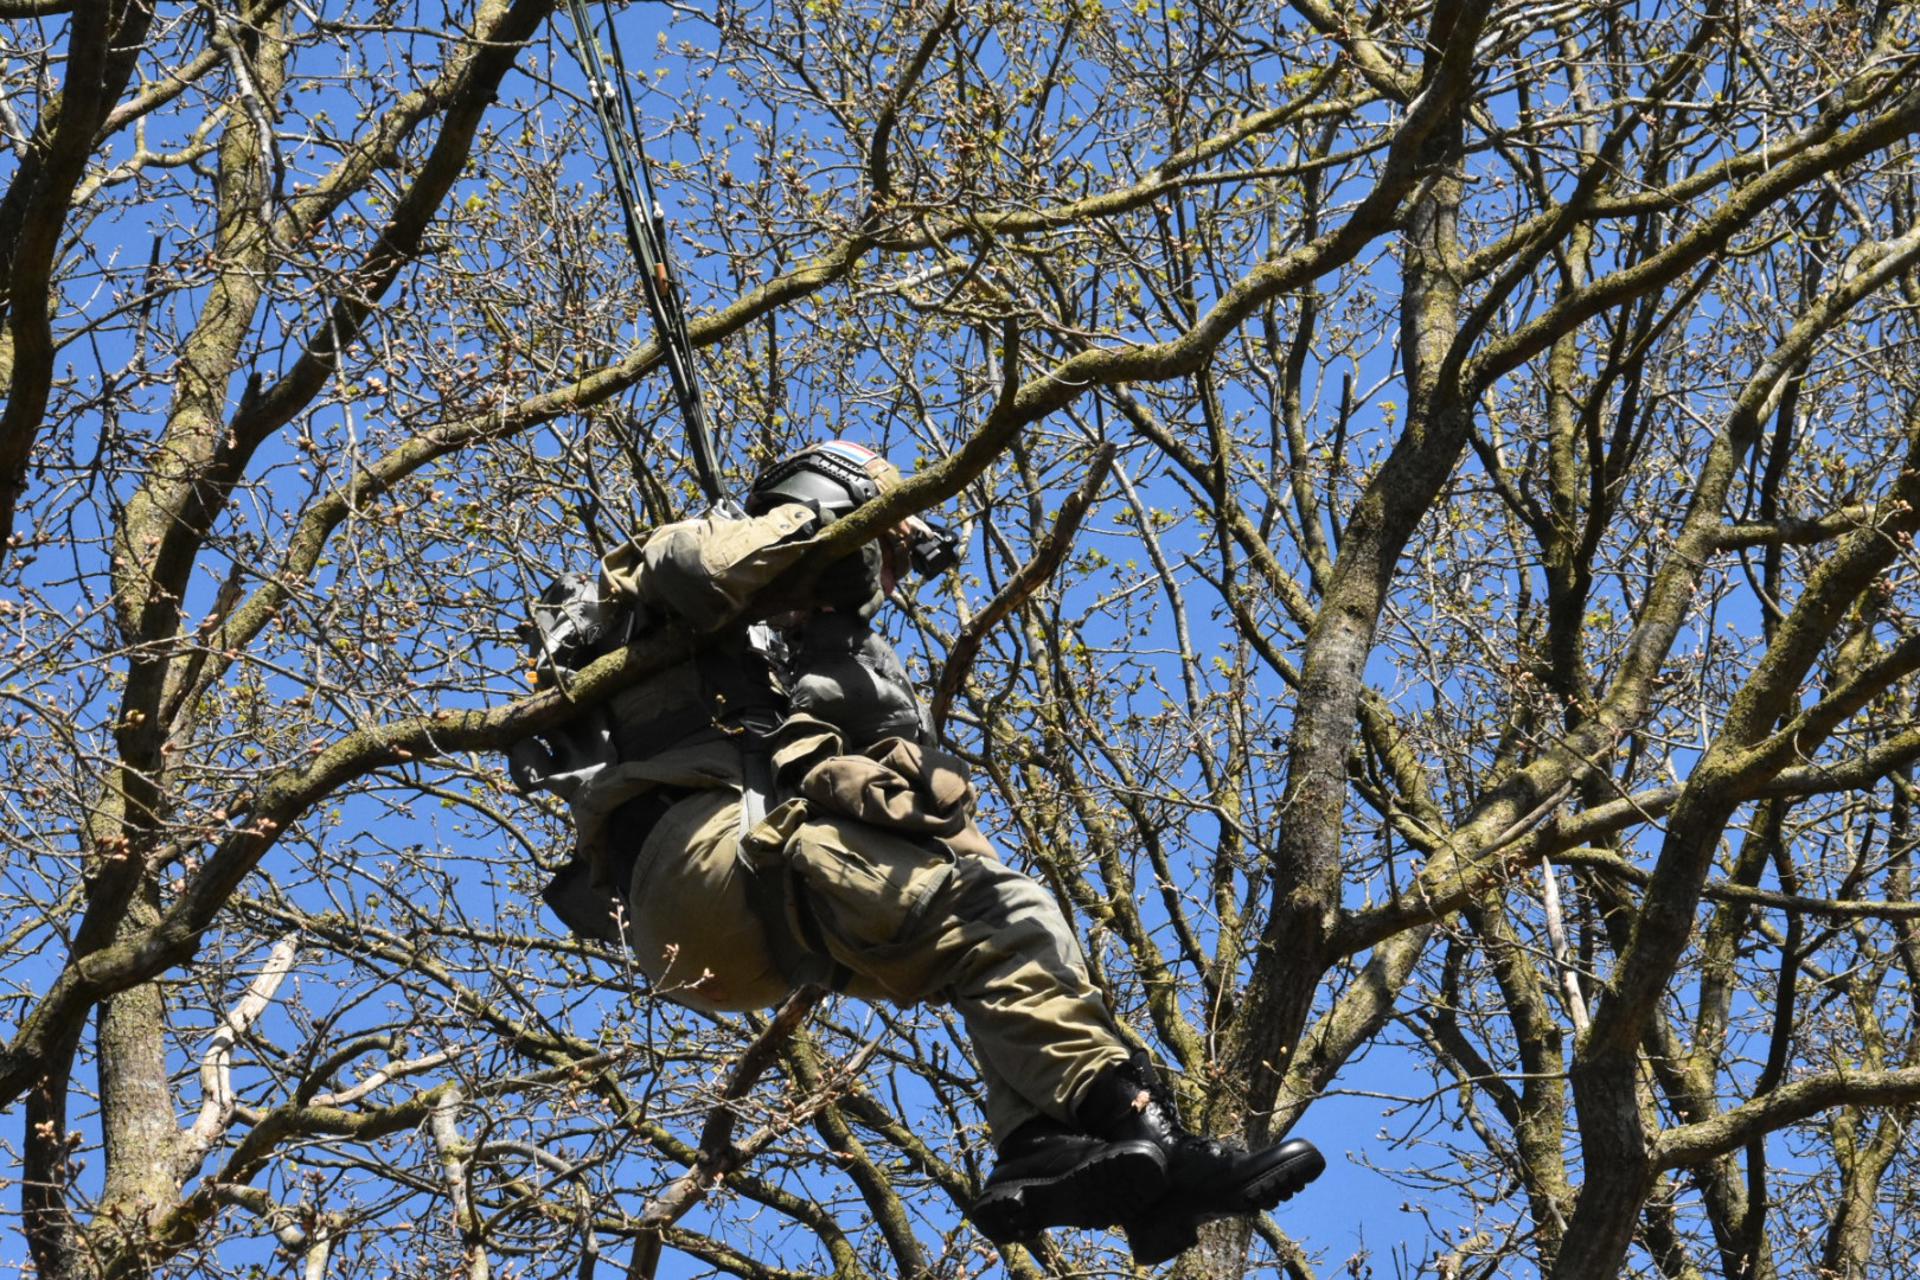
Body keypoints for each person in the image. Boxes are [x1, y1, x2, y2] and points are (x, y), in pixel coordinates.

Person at [508, 439, 1324, 1262]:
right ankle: (1116, 1121)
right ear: (829, 503)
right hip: (697, 851)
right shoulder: (683, 561)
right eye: (880, 553)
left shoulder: (817, 652)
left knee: (997, 934)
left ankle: (1089, 1146)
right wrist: (813, 533)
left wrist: (843, 656)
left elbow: (929, 798)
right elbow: (699, 569)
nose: (883, 582)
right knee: (1000, 917)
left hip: (746, 937)